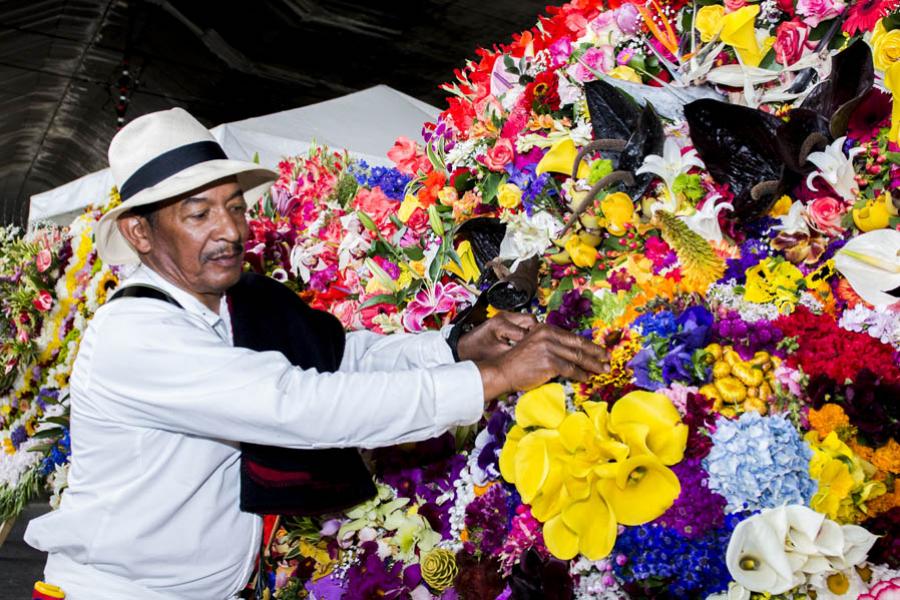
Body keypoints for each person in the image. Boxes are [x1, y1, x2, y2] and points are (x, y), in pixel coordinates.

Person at [24, 108, 609, 599]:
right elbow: (299, 405)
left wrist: (452, 347)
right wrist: (492, 378)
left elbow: (338, 358)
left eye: (235, 206)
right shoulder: (138, 334)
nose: (229, 230)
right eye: (198, 213)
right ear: (140, 234)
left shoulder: (234, 303)